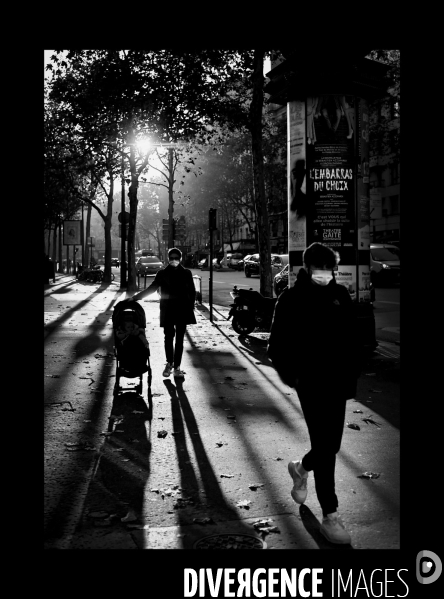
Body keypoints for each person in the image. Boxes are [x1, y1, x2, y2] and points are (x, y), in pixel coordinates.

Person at [267, 242, 360, 544]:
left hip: (338, 383)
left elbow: (354, 338)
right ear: (307, 268)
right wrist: (294, 378)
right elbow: (276, 347)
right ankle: (330, 516)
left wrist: (352, 373)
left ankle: (300, 467)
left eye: (329, 269)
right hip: (310, 384)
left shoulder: (340, 296)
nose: (325, 274)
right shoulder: (292, 299)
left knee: (329, 446)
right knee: (326, 445)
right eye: (319, 269)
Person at [130, 247, 196, 379]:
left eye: (176, 258)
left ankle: (176, 367)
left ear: (180, 258)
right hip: (168, 310)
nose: (174, 260)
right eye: (171, 258)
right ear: (168, 259)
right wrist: (135, 298)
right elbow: (152, 288)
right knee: (168, 338)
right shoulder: (162, 273)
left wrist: (191, 306)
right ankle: (170, 363)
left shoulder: (187, 273)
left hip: (182, 310)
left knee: (179, 340)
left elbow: (192, 292)